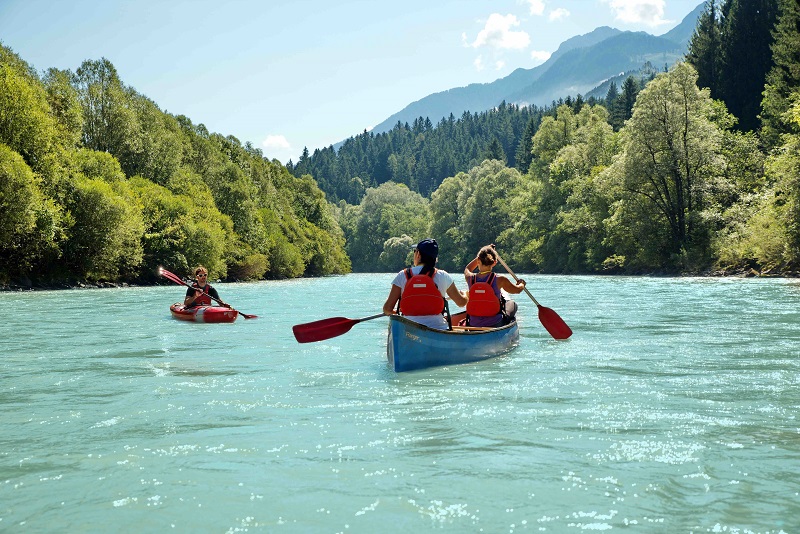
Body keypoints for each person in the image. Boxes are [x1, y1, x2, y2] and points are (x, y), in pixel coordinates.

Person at [382, 238, 468, 330]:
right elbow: (461, 303)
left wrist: (397, 313)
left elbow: (387, 309)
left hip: (408, 328)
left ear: (418, 254)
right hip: (438, 328)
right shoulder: (443, 276)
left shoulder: (402, 275)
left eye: (415, 251)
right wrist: (465, 295)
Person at [463, 245, 525, 327]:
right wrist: (522, 284)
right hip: (495, 323)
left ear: (478, 260)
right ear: (494, 262)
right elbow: (517, 290)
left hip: (473, 324)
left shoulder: (470, 278)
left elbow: (468, 268)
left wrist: (482, 253)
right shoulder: (500, 279)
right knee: (512, 304)